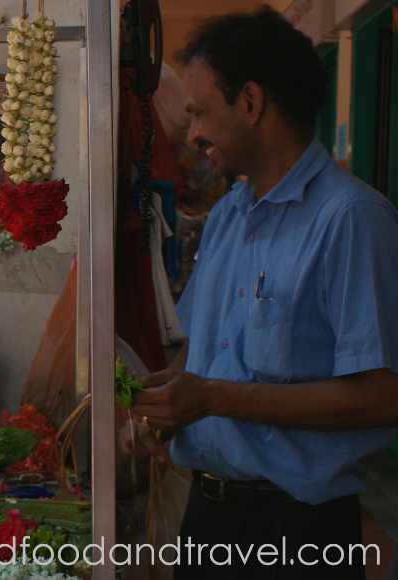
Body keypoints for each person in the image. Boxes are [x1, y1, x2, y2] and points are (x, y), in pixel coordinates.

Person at [118, 7, 398, 580]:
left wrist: (214, 398)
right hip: (208, 518)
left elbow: (382, 396)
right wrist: (160, 406)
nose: (192, 133)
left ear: (250, 102)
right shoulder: (227, 217)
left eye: (198, 112)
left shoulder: (351, 219)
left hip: (299, 534)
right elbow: (203, 362)